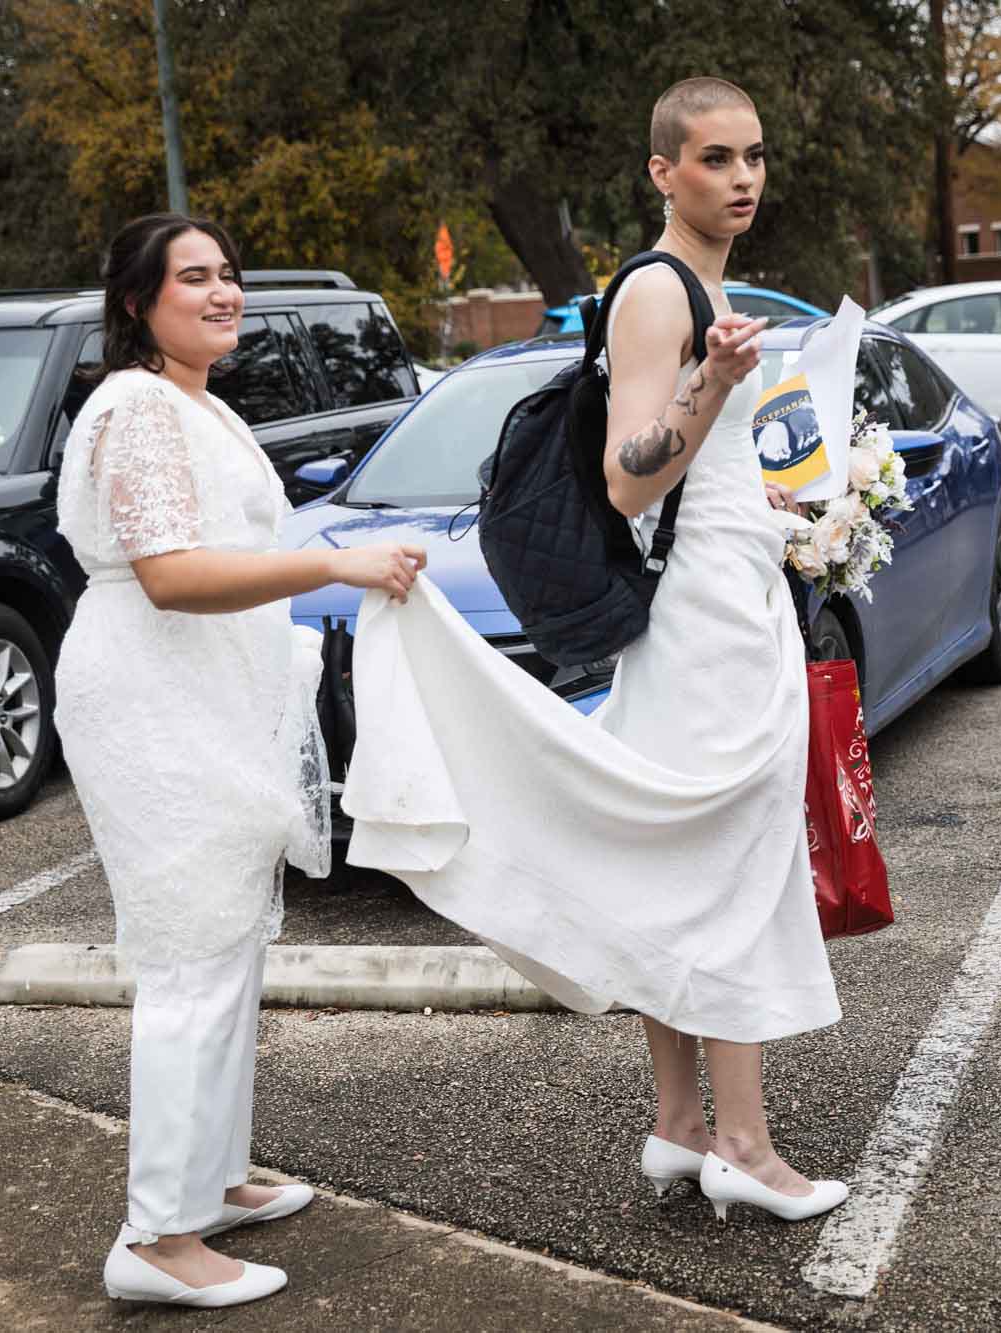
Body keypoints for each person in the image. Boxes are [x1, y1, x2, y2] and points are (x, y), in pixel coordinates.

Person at [342, 76, 848, 1223]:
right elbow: (627, 480)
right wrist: (715, 386)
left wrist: (805, 506)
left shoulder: (697, 281)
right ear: (663, 171)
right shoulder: (656, 293)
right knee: (731, 858)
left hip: (725, 585)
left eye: (754, 156)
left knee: (684, 863)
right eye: (715, 159)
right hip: (706, 615)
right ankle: (746, 1148)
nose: (743, 178)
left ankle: (679, 1126)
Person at [54, 212, 425, 1308]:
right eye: (195, 278)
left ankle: (210, 1179)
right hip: (151, 696)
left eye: (230, 276)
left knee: (229, 946)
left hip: (206, 693)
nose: (223, 293)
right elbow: (168, 572)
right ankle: (155, 1238)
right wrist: (331, 564)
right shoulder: (134, 405)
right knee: (190, 956)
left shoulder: (194, 402)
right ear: (137, 302)